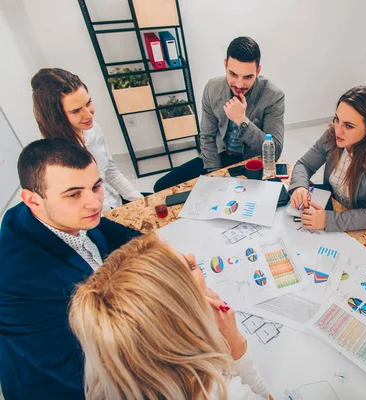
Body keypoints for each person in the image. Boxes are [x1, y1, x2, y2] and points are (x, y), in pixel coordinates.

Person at [0, 138, 141, 400]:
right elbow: (83, 370)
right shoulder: (15, 282)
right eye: (74, 193)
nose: (94, 203)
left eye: (96, 186)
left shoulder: (62, 212)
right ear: (32, 200)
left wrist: (167, 261)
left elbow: (123, 236)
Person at [68, 233, 271, 400]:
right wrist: (236, 344)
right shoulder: (215, 390)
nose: (193, 257)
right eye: (190, 267)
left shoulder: (112, 376)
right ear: (179, 312)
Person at [153, 36, 285, 192]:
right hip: (217, 157)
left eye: (248, 77)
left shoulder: (273, 96)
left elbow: (274, 151)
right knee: (161, 188)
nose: (239, 84)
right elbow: (207, 137)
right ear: (225, 65)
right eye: (233, 74)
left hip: (252, 162)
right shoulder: (212, 88)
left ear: (258, 71)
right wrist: (214, 175)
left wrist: (242, 121)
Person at [288, 86, 366, 234]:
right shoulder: (332, 135)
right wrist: (300, 187)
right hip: (342, 213)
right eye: (337, 119)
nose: (338, 130)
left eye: (349, 125)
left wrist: (328, 220)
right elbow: (304, 165)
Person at [31, 68, 143, 211]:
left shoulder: (93, 128)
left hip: (115, 204)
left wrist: (140, 201)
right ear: (56, 117)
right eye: (76, 111)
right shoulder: (53, 157)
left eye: (88, 103)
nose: (88, 115)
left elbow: (110, 172)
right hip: (93, 218)